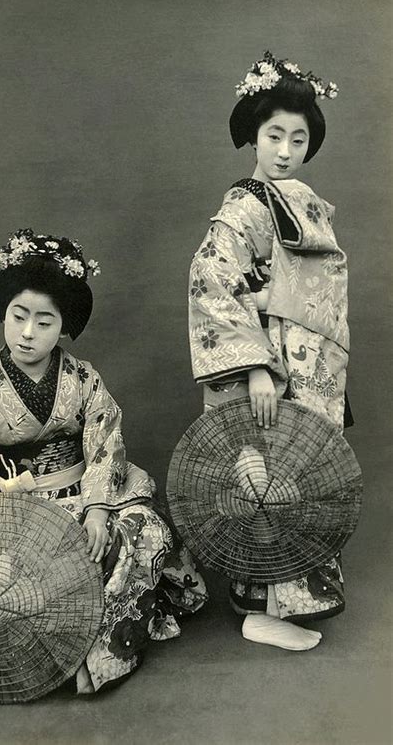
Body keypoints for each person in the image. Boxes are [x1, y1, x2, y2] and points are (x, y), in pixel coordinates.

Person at [0, 229, 207, 693]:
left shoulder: (82, 379)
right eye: (18, 316)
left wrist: (97, 507)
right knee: (10, 573)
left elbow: (104, 440)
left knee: (141, 529)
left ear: (64, 326)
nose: (28, 333)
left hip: (82, 492)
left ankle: (104, 650)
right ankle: (59, 651)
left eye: (45, 321)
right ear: (3, 314)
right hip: (15, 510)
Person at [189, 51, 351, 651]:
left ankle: (262, 602)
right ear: (253, 138)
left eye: (298, 138)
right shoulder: (245, 206)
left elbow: (314, 286)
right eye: (273, 135)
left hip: (306, 366)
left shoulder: (296, 199)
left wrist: (277, 299)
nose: (285, 150)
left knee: (296, 476)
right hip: (270, 369)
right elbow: (210, 280)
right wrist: (255, 364)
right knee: (267, 475)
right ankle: (264, 609)